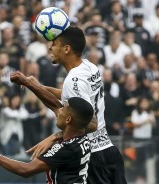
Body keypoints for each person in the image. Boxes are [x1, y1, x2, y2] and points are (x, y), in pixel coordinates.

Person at [10, 26, 127, 184]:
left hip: (92, 158)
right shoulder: (90, 67)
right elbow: (70, 94)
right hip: (109, 151)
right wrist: (35, 85)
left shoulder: (73, 80)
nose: (50, 46)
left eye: (55, 43)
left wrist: (55, 136)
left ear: (66, 49)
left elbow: (92, 123)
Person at [0, 96, 94, 183]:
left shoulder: (66, 149)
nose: (59, 111)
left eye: (63, 109)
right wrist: (56, 135)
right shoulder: (84, 139)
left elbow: (26, 170)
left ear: (68, 120)